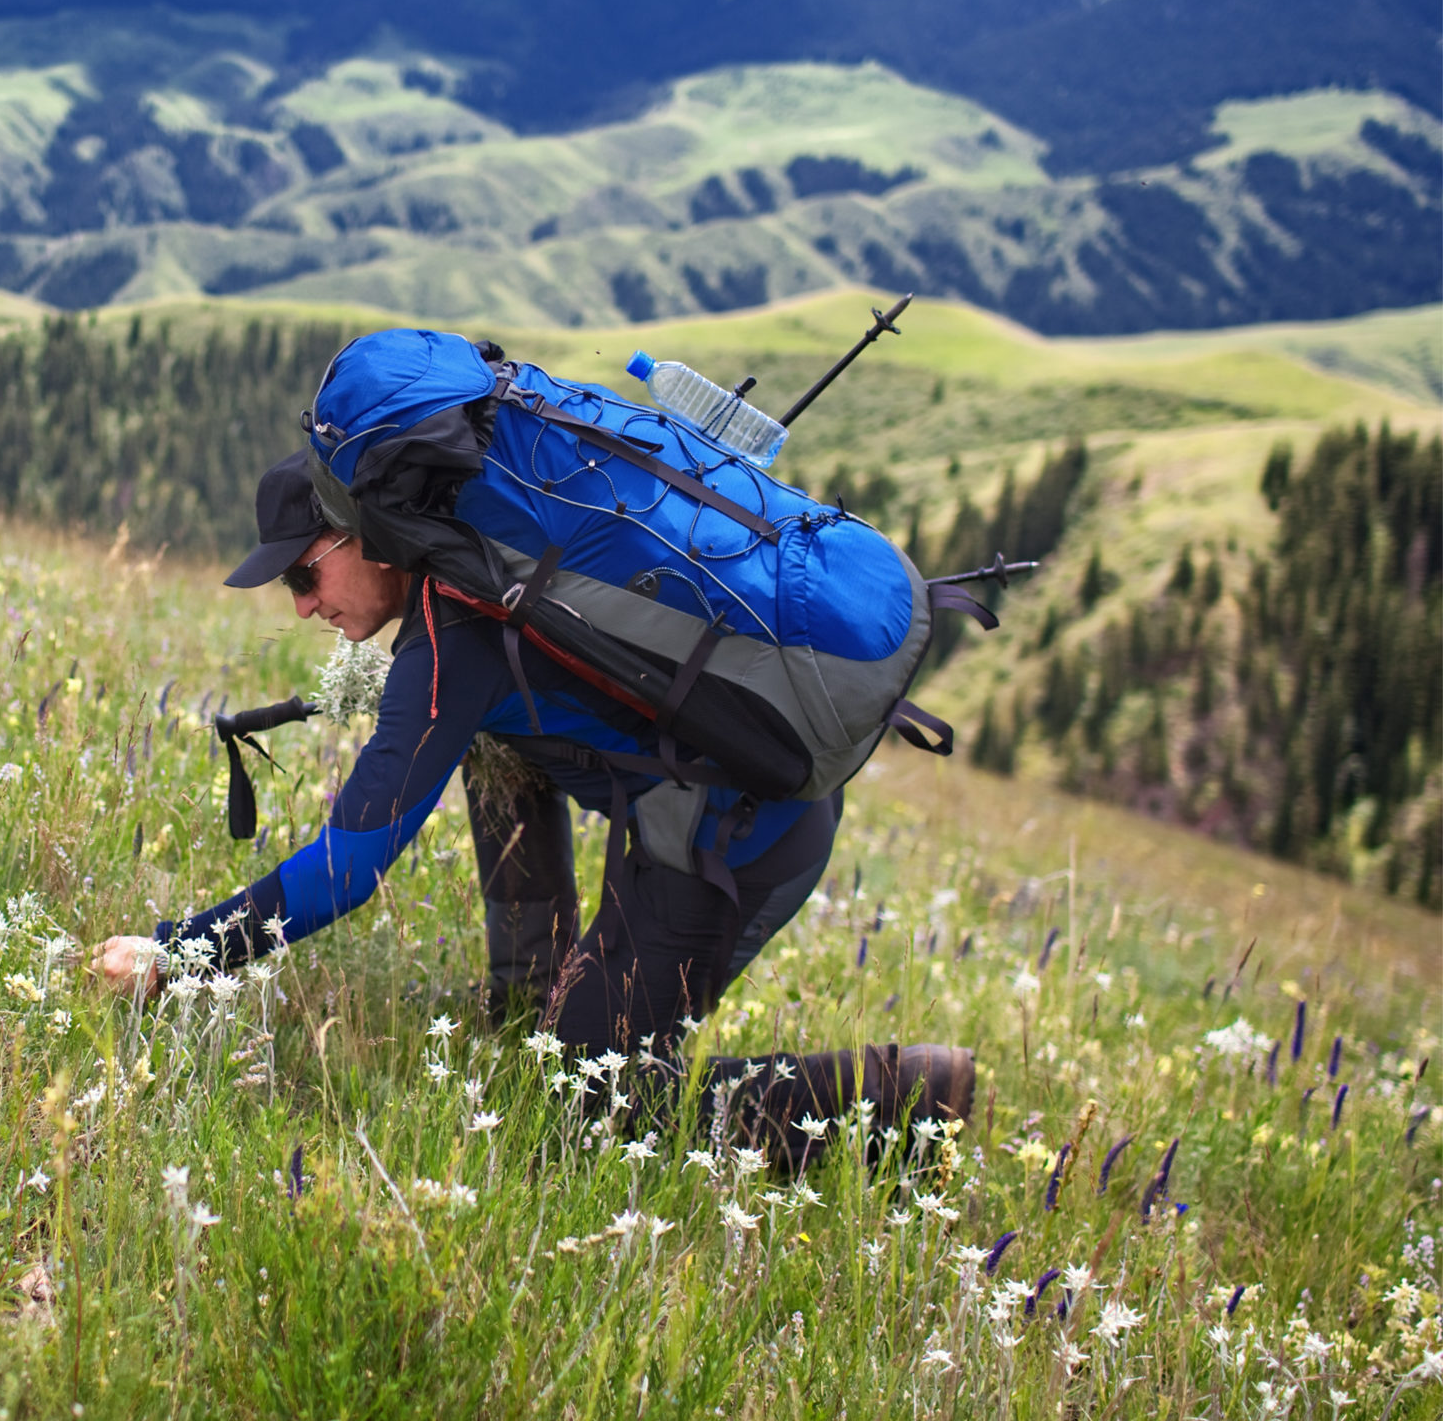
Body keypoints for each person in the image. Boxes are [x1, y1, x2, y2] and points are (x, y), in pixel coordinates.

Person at [87, 449, 973, 1155]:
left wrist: (179, 953)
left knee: (590, 1111)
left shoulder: (455, 638)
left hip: (735, 844)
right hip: (707, 817)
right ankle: (530, 998)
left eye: (305, 576)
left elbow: (348, 869)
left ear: (362, 531)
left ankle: (903, 1094)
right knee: (495, 771)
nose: (303, 605)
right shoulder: (493, 570)